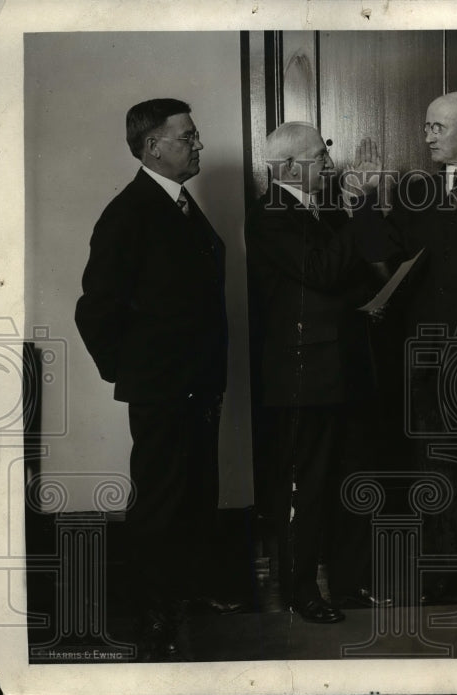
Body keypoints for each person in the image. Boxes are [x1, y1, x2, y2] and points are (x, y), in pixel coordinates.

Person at [75, 98, 234, 660]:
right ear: (152, 147)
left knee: (195, 492)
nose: (199, 144)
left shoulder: (180, 205)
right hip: (164, 390)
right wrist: (138, 374)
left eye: (194, 135)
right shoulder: (129, 213)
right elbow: (95, 311)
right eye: (187, 136)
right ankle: (154, 615)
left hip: (199, 387)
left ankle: (186, 593)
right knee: (161, 501)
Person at [370, 92, 457, 607]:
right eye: (426, 126)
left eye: (437, 126)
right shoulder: (413, 193)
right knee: (432, 466)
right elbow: (390, 260)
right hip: (425, 356)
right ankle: (441, 575)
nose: (427, 134)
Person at [244, 121, 387, 624]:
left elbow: (335, 279)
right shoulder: (270, 216)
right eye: (319, 158)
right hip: (306, 377)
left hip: (339, 370)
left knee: (349, 478)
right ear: (286, 168)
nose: (330, 163)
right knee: (306, 487)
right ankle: (302, 592)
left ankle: (349, 586)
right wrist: (362, 207)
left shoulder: (314, 211)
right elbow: (323, 271)